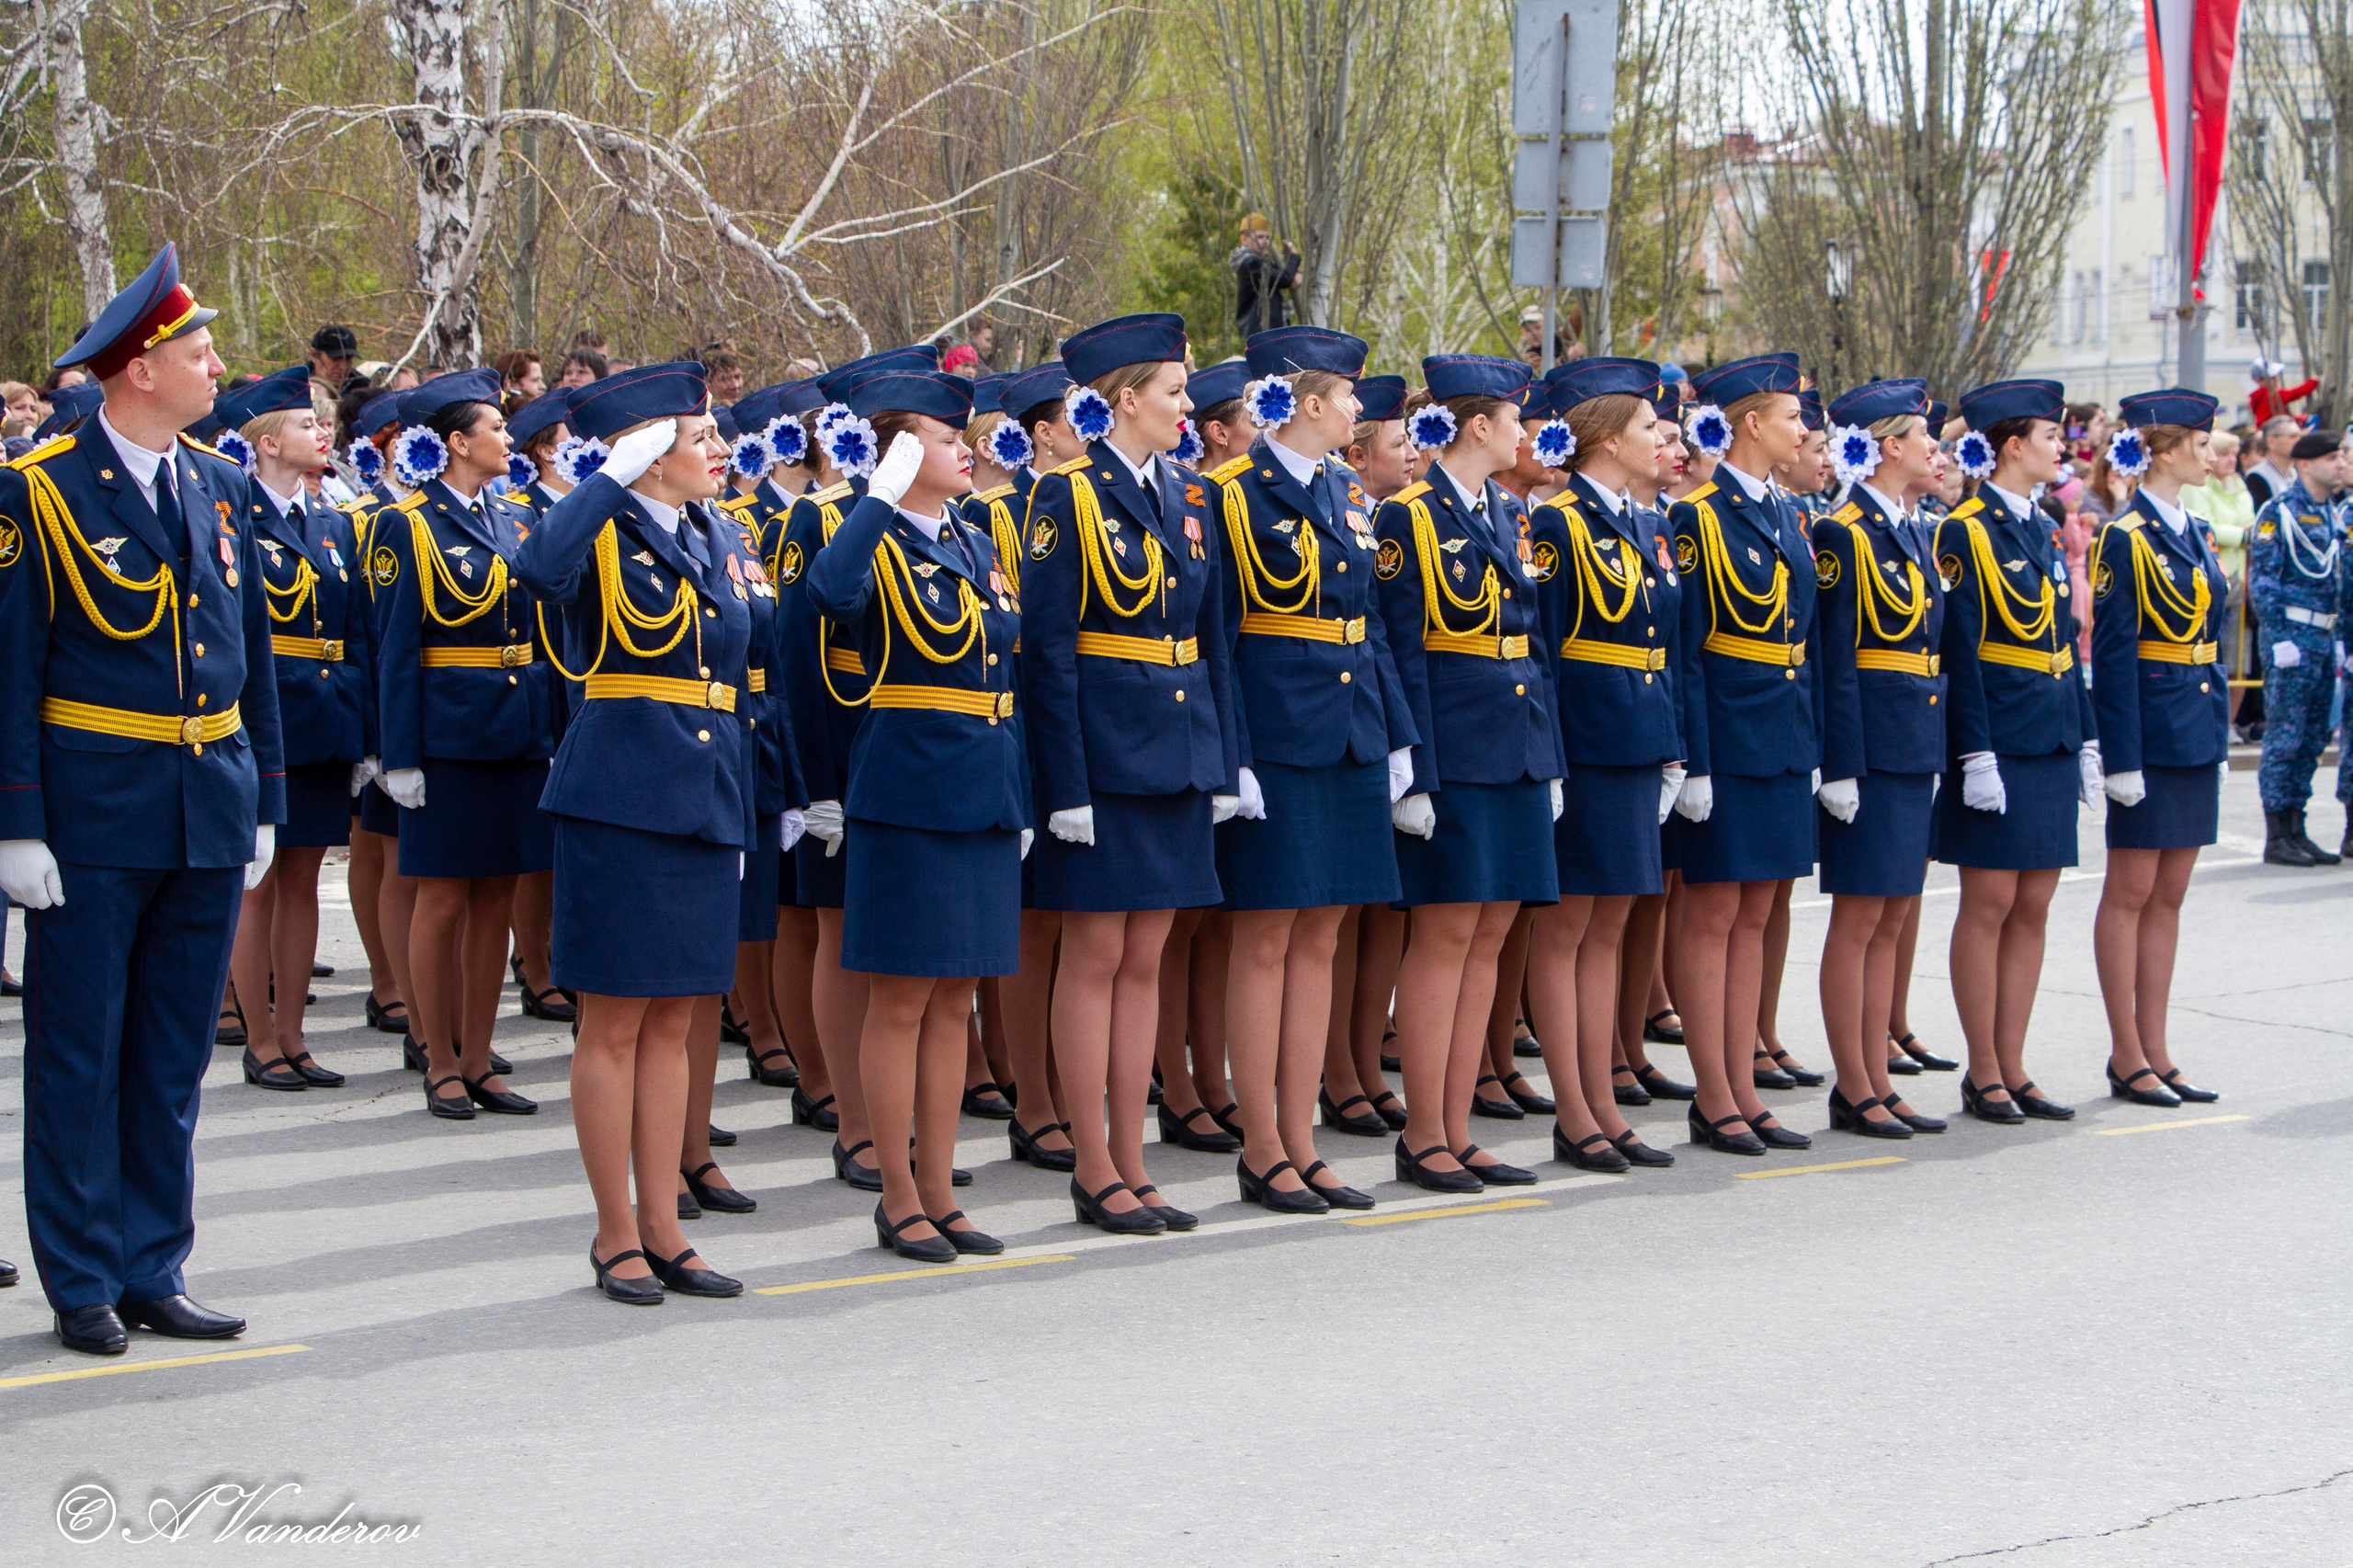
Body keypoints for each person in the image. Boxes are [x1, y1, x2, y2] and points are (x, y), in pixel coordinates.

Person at [0, 244, 283, 1355]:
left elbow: (246, 652)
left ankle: (152, 1261)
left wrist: (260, 793)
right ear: (138, 369)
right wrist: (17, 821)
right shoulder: (40, 492)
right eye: (196, 349)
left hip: (203, 803)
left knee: (169, 1053)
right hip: (94, 811)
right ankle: (79, 1278)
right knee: (80, 1051)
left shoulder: (218, 483)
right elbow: (13, 668)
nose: (216, 365)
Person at [508, 363, 753, 1301]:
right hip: (620, 796)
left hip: (705, 791)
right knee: (613, 1023)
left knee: (675, 1021)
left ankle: (664, 1223)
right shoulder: (598, 530)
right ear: (651, 454)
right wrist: (608, 476)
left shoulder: (715, 533)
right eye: (696, 438)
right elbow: (534, 569)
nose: (715, 451)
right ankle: (614, 1230)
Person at [1023, 312, 1239, 1233]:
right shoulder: (1067, 498)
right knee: (1097, 953)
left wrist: (1224, 760)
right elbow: (1048, 653)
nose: (1185, 407)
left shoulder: (1191, 497)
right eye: (1173, 392)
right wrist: (1064, 786)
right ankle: (1093, 1160)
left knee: (1146, 954)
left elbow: (1213, 640)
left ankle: (1134, 1157)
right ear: (1124, 402)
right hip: (1104, 757)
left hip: (1177, 747)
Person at [805, 369, 1024, 1256]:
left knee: (954, 1003)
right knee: (900, 1003)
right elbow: (829, 593)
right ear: (901, 453)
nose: (965, 449)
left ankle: (942, 1188)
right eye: (944, 437)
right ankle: (898, 1195)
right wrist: (879, 494)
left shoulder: (974, 542)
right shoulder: (872, 537)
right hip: (909, 791)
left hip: (984, 789)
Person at [1200, 326, 1407, 1212]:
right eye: (1349, 395)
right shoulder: (1229, 497)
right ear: (1311, 404)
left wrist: (1398, 737)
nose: (1361, 410)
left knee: (1321, 934)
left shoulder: (1347, 492)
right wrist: (1232, 758)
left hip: (1350, 732)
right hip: (1278, 738)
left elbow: (1373, 621)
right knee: (1267, 937)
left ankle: (1302, 1136)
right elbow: (1217, 638)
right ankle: (1261, 1147)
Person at [1375, 357, 1563, 1190]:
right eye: (1514, 418)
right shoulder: (1408, 517)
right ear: (1477, 426)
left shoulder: (1508, 513)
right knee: (1446, 934)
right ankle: (1423, 1133)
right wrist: (1412, 770)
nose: (1525, 433)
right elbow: (1402, 651)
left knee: (1490, 934)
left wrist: (1547, 753)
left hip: (1514, 741)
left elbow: (1534, 642)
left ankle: (1456, 1125)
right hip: (1454, 746)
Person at [776, 345, 944, 1191]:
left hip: (907, 745)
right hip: (843, 748)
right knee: (844, 937)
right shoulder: (823, 516)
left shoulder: (943, 526)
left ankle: (910, 1125)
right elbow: (800, 663)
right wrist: (816, 786)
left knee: (910, 963)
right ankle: (855, 1122)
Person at [374, 369, 551, 1120]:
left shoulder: (515, 518)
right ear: (457, 442)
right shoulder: (407, 524)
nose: (509, 440)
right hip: (448, 737)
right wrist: (399, 755)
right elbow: (394, 649)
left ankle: (479, 1058)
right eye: (497, 429)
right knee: (443, 900)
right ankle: (437, 1055)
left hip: (514, 732)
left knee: (496, 902)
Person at [1523, 357, 1683, 1171]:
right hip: (1584, 744)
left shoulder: (1649, 525)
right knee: (1568, 928)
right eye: (1651, 428)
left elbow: (1666, 645)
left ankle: (1603, 1102)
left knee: (1612, 923)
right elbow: (1544, 652)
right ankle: (1574, 1108)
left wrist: (1673, 748)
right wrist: (1551, 758)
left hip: (1636, 740)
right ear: (1610, 438)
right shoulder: (1556, 523)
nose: (1664, 441)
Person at [1665, 353, 1819, 1157]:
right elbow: (1687, 648)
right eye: (1793, 417)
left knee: (1757, 912)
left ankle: (1745, 1087)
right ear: (1752, 424)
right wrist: (1692, 761)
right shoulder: (1695, 517)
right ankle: (1714, 1093)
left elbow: (1808, 639)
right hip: (1727, 733)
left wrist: (1818, 744)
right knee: (1715, 911)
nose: (1806, 431)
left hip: (1784, 732)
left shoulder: (1790, 514)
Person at [1933, 379, 2097, 1125]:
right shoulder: (1965, 529)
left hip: (2053, 728)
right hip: (2000, 733)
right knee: (1992, 899)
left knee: (2035, 900)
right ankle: (1984, 1069)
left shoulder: (2043, 521)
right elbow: (1960, 652)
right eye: (2051, 435)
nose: (2061, 446)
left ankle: (2016, 1062)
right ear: (2011, 446)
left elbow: (2064, 636)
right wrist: (1975, 754)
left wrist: (2088, 732)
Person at [216, 367, 373, 1092]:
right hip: (262, 717)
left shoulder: (330, 522)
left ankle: (294, 1036)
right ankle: (259, 1037)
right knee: (259, 879)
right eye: (309, 425)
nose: (323, 433)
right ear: (269, 441)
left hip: (321, 720)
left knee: (304, 874)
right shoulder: (236, 518)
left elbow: (354, 632)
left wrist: (365, 731)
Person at [1807, 381, 1951, 1140]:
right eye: (1924, 436)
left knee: (1893, 918)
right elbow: (1837, 660)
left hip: (1912, 744)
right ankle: (1854, 1084)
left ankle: (1879, 1078)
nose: (1937, 450)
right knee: (1860, 920)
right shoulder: (1846, 532)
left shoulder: (1913, 526)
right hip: (1870, 752)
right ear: (1889, 445)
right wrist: (1840, 767)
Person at [2090, 389, 2229, 1109]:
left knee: (2170, 895)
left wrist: (2219, 734)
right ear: (2167, 451)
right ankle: (2125, 1051)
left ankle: (2159, 1046)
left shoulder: (2195, 528)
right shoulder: (2125, 536)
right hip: (2150, 733)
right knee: (2133, 891)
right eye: (2202, 447)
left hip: (2193, 729)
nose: (2211, 458)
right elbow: (2113, 657)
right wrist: (2122, 760)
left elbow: (2212, 634)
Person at [2249, 429, 2350, 865]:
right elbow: (2264, 582)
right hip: (2292, 638)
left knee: (2312, 738)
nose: (2342, 464)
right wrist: (2279, 639)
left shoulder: (2334, 515)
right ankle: (2277, 835)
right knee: (2284, 739)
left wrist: (2343, 639)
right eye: (2333, 458)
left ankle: (2297, 825)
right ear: (2305, 464)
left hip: (2325, 639)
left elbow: (2340, 585)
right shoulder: (2279, 513)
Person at [1231, 215, 1300, 338]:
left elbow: (1281, 275)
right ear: (1244, 239)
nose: (1265, 241)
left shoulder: (1259, 262)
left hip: (1265, 330)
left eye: (1267, 237)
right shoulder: (1250, 263)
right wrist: (1294, 256)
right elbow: (1284, 279)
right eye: (1260, 237)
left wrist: (1297, 273)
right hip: (1261, 331)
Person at [2244, 415, 2301, 509]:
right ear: (2271, 442)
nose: (2299, 440)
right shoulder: (2256, 477)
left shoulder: (2296, 474)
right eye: (2293, 436)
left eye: (2300, 435)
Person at [309, 324, 359, 395]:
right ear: (314, 355)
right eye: (335, 358)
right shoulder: (294, 389)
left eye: (348, 358)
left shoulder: (364, 390)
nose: (343, 367)